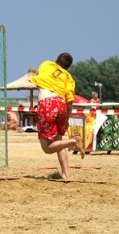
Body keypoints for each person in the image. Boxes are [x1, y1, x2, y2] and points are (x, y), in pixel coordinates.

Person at [30, 52, 85, 180]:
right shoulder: (69, 78)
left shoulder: (46, 64)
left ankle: (74, 141)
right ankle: (66, 174)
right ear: (68, 68)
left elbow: (40, 81)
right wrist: (66, 119)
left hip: (47, 104)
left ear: (55, 60)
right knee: (60, 141)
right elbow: (69, 103)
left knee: (47, 148)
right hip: (61, 105)